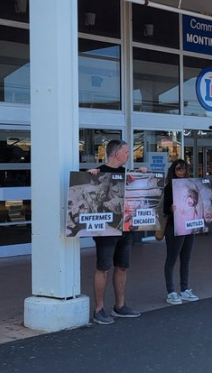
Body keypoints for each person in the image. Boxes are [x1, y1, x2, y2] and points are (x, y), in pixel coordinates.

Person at [88, 139, 141, 324]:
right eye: (126, 152)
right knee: (103, 268)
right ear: (116, 153)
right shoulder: (98, 172)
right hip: (106, 230)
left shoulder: (128, 174)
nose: (129, 155)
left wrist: (144, 175)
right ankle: (99, 309)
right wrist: (90, 177)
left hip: (125, 228)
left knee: (122, 266)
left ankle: (120, 306)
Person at [161, 159, 200, 305]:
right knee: (171, 259)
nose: (181, 172)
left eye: (184, 169)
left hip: (189, 225)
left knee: (186, 259)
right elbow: (163, 209)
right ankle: (171, 291)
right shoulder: (169, 187)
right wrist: (170, 209)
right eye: (178, 169)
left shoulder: (191, 185)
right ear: (173, 170)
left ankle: (184, 288)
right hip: (174, 226)